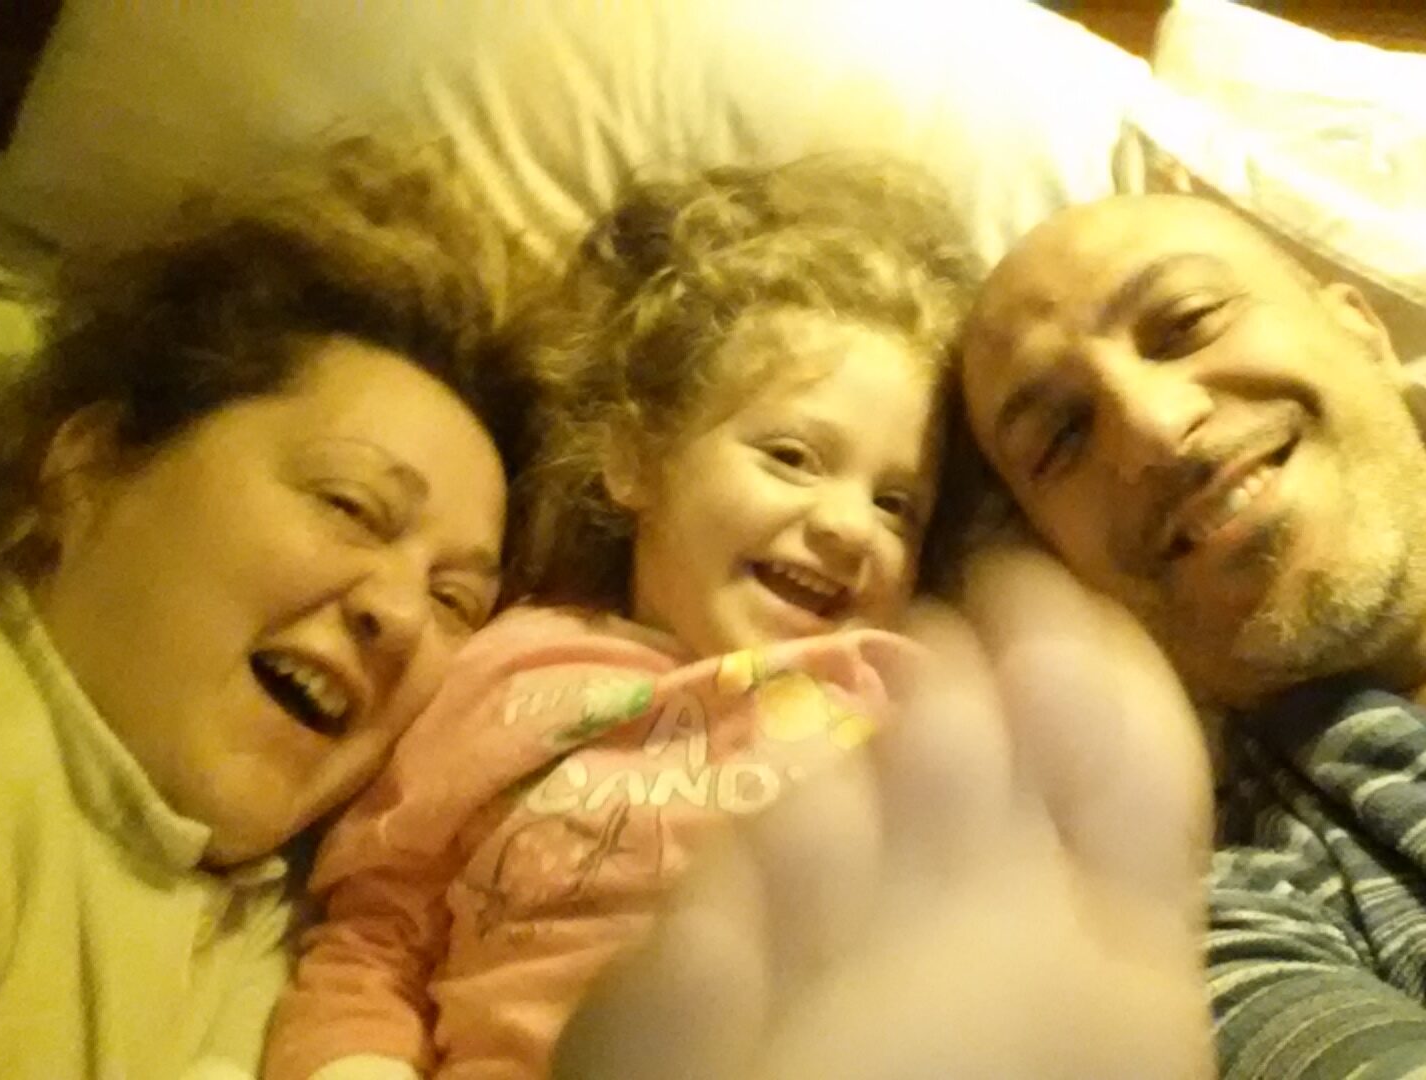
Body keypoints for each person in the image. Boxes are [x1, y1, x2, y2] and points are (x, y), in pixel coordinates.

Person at [552, 191, 1426, 1079]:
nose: (1154, 427)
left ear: (1361, 330)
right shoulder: (1204, 921)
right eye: (1060, 437)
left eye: (1189, 322)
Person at [262, 157, 983, 1080]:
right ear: (637, 459)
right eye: (792, 457)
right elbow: (373, 938)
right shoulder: (505, 669)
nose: (848, 525)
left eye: (896, 505)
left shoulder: (900, 691)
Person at [0, 139, 546, 1079]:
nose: (402, 615)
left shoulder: (315, 924)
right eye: (351, 505)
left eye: (456, 600)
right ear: (86, 466)